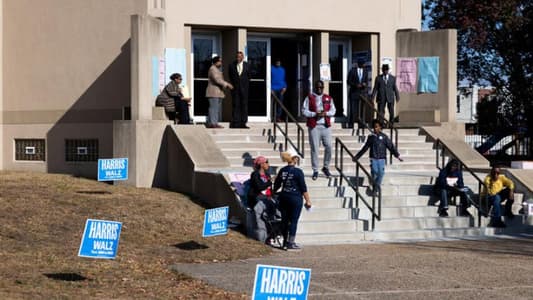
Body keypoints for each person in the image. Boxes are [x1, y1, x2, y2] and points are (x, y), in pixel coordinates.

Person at [273, 150, 312, 250]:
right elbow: (303, 188)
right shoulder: (298, 172)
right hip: (295, 198)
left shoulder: (282, 170)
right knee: (293, 221)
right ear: (294, 159)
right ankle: (291, 242)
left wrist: (273, 193)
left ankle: (284, 243)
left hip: (284, 197)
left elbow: (277, 185)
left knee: (285, 220)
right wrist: (308, 200)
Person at [353, 119, 403, 193]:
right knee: (375, 171)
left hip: (382, 159)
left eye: (377, 127)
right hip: (374, 158)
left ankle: (376, 186)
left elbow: (391, 146)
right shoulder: (371, 137)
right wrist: (357, 156)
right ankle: (375, 185)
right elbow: (365, 147)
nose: (375, 128)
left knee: (381, 173)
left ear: (380, 127)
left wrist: (397, 155)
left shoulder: (384, 137)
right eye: (374, 127)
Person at [302, 80, 336, 180]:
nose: (319, 89)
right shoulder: (309, 97)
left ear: (323, 87)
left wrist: (326, 113)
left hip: (325, 125)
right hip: (314, 126)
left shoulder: (328, 98)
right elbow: (304, 110)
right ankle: (315, 170)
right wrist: (314, 114)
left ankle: (325, 167)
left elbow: (333, 110)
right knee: (315, 149)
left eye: (321, 87)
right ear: (314, 88)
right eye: (317, 87)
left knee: (329, 146)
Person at [247, 156, 278, 244]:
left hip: (268, 199)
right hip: (258, 199)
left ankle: (271, 236)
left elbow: (270, 189)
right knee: (262, 218)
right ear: (261, 164)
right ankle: (262, 238)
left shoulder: (267, 174)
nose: (268, 164)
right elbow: (259, 187)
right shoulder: (255, 174)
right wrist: (270, 181)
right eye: (266, 162)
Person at [205, 56, 233, 128]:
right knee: (213, 108)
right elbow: (217, 80)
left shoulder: (217, 69)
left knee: (216, 108)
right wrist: (227, 84)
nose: (221, 63)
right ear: (216, 62)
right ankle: (213, 123)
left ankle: (214, 122)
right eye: (219, 61)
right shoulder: (212, 69)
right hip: (213, 92)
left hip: (218, 93)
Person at [228, 51, 251, 128]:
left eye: (240, 56)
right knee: (236, 105)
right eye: (237, 56)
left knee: (244, 105)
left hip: (244, 89)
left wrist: (245, 84)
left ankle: (243, 123)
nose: (238, 58)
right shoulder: (231, 65)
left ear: (242, 57)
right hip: (235, 89)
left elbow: (249, 76)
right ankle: (236, 122)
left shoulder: (247, 65)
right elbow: (230, 76)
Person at [347, 60, 368, 128]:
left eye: (363, 64)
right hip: (353, 93)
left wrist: (365, 84)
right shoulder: (352, 71)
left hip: (362, 93)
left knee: (362, 109)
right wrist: (356, 85)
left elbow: (366, 81)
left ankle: (361, 124)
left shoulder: (365, 71)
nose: (363, 65)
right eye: (362, 64)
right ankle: (351, 124)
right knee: (353, 109)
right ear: (358, 64)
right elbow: (348, 81)